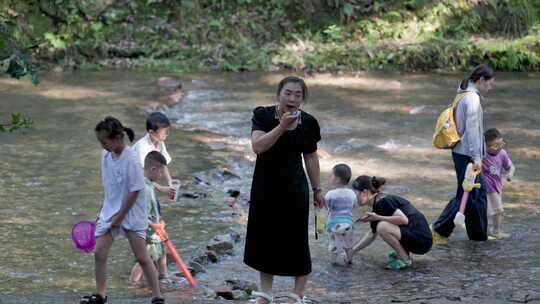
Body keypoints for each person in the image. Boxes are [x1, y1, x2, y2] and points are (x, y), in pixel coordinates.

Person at [244, 76, 324, 304]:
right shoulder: (263, 115)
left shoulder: (309, 122)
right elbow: (258, 147)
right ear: (279, 94)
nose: (292, 98)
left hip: (295, 187)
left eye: (298, 95)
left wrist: (317, 189)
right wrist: (282, 126)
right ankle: (265, 293)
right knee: (265, 237)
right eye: (288, 93)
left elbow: (310, 156)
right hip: (265, 186)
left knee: (297, 238)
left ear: (303, 99)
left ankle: (297, 294)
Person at [81, 117, 164, 304]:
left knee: (142, 257)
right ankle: (101, 295)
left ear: (118, 138)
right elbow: (109, 186)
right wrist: (103, 210)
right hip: (111, 211)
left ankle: (157, 296)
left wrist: (120, 217)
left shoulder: (131, 159)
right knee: (99, 253)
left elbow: (135, 190)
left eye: (104, 141)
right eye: (100, 142)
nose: (102, 145)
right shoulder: (105, 156)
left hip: (132, 212)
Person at [432, 64, 495, 244]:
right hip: (468, 154)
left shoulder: (463, 91)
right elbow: (473, 132)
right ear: (481, 80)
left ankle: (477, 236)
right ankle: (439, 230)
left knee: (474, 196)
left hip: (461, 152)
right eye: (489, 84)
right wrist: (477, 158)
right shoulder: (472, 99)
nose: (489, 88)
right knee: (471, 195)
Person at [352, 176, 432, 270]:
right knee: (381, 226)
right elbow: (371, 235)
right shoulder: (378, 202)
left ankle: (405, 259)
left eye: (356, 193)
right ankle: (403, 253)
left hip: (422, 240)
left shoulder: (383, 201)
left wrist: (377, 217)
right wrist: (352, 251)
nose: (354, 197)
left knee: (382, 227)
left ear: (365, 192)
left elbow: (403, 220)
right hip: (417, 237)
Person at [129, 151, 170, 284]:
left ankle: (164, 279)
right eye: (161, 172)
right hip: (149, 234)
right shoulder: (144, 190)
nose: (162, 175)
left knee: (162, 257)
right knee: (143, 261)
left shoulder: (147, 181)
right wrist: (154, 225)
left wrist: (160, 222)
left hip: (157, 231)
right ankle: (132, 285)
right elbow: (139, 216)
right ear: (153, 169)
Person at [133, 112, 178, 201]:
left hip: (145, 182)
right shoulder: (142, 147)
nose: (166, 134)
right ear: (151, 132)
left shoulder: (160, 142)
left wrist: (170, 182)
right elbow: (141, 176)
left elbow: (163, 163)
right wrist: (161, 188)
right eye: (164, 132)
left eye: (167, 131)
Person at [482, 128, 515, 239]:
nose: (499, 147)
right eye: (495, 146)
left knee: (497, 211)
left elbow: (511, 167)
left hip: (497, 188)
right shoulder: (482, 155)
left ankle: (495, 230)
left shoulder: (502, 153)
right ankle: (492, 231)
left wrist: (510, 174)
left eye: (501, 144)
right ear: (485, 146)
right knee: (496, 210)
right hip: (486, 188)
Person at [324, 164, 357, 265]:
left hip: (335, 225)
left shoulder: (330, 194)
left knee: (334, 244)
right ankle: (349, 261)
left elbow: (326, 207)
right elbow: (354, 206)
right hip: (348, 224)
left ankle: (333, 263)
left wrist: (320, 226)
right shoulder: (352, 193)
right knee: (348, 244)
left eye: (331, 175)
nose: (330, 177)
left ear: (337, 179)